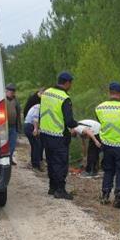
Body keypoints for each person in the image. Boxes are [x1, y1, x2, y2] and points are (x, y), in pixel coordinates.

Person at [39, 72, 78, 200]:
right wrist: (76, 124)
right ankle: (60, 190)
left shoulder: (47, 92)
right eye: (71, 83)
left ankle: (52, 187)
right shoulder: (64, 98)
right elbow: (69, 121)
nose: (71, 85)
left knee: (50, 161)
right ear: (67, 83)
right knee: (61, 163)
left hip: (45, 133)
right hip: (58, 135)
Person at [24, 97, 42, 170]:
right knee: (37, 145)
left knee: (35, 145)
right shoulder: (38, 107)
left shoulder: (37, 106)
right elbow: (35, 118)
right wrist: (35, 129)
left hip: (28, 126)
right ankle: (36, 165)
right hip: (30, 126)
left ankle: (34, 163)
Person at [5, 83, 22, 165]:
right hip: (4, 126)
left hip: (13, 126)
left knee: (12, 144)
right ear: (6, 91)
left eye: (13, 91)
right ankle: (5, 160)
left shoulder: (16, 101)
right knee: (4, 145)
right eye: (10, 91)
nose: (12, 93)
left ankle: (10, 158)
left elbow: (18, 114)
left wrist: (19, 127)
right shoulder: (3, 100)